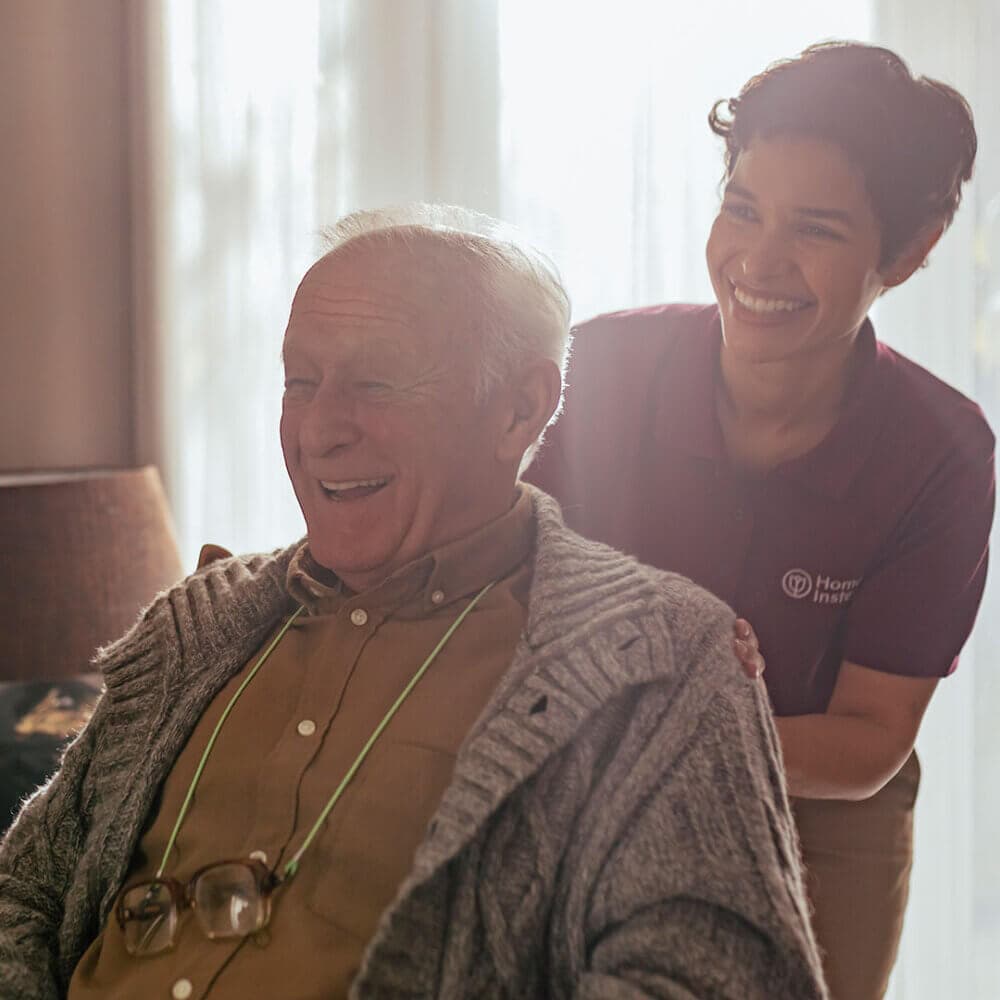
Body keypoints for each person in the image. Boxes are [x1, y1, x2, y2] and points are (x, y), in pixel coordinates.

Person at [0, 205, 826, 999]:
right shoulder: (197, 624)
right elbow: (25, 892)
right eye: (301, 380)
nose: (320, 429)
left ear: (519, 408)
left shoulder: (665, 661)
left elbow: (715, 979)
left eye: (375, 384)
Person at [526, 41, 996, 1000]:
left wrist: (679, 720)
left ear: (906, 252)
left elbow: (868, 738)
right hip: (590, 768)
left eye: (815, 230)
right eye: (741, 209)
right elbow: (501, 597)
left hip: (813, 807)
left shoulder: (941, 454)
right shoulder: (602, 370)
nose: (757, 260)